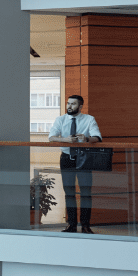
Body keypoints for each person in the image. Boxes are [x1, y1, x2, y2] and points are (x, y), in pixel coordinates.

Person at [48, 95, 102, 233]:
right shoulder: (60, 120)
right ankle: (71, 225)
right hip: (66, 158)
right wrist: (66, 140)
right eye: (68, 103)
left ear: (80, 106)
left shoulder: (89, 119)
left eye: (73, 104)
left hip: (84, 159)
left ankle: (85, 225)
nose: (69, 106)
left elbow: (97, 137)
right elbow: (51, 137)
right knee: (69, 193)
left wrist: (87, 139)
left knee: (85, 193)